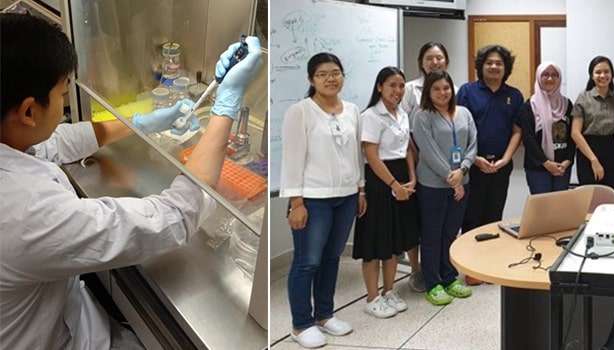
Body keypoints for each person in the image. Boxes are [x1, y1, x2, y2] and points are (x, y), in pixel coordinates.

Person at [0, 13, 261, 350]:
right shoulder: (26, 213)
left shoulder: (11, 137)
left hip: (60, 313)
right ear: (28, 112)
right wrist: (227, 104)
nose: (64, 104)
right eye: (63, 94)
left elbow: (56, 141)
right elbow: (173, 217)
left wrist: (144, 122)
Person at [280, 52, 367, 348]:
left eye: (336, 72)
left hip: (346, 197)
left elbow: (357, 153)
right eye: (322, 74)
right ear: (311, 80)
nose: (331, 79)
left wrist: (361, 189)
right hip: (313, 200)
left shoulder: (353, 110)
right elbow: (291, 160)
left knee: (332, 258)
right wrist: (296, 203)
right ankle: (301, 324)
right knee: (307, 261)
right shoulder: (301, 111)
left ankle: (325, 315)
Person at [354, 67, 419, 319]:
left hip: (402, 179)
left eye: (402, 85)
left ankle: (389, 290)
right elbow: (370, 155)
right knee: (375, 241)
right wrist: (395, 185)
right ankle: (372, 297)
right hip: (380, 182)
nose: (398, 90)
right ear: (380, 86)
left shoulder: (402, 114)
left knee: (394, 243)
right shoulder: (370, 115)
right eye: (392, 85)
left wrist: (411, 179)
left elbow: (407, 150)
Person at [456, 45, 523, 285]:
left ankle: (490, 266)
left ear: (506, 68)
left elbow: (517, 131)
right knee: (471, 217)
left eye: (499, 63)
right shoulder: (467, 91)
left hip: (502, 166)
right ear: (481, 66)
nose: (494, 67)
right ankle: (472, 268)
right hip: (473, 165)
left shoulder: (514, 95)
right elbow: (459, 130)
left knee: (494, 215)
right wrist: (474, 159)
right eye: (489, 63)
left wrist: (506, 159)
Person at [412, 70, 478, 306]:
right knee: (432, 235)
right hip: (433, 186)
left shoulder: (465, 113)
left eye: (446, 88)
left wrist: (464, 170)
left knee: (450, 233)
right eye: (436, 89)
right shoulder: (422, 116)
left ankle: (449, 277)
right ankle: (432, 282)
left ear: (452, 89)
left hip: (463, 182)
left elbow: (472, 144)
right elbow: (428, 152)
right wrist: (453, 178)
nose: (442, 93)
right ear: (429, 92)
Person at [399, 42, 455, 293]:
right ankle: (417, 270)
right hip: (415, 160)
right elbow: (402, 126)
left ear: (446, 62)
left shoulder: (452, 89)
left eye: (439, 58)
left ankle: (442, 270)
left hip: (446, 167)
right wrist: (419, 154)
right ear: (421, 62)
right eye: (430, 58)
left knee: (441, 226)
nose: (435, 62)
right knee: (420, 223)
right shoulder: (410, 89)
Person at [518, 62, 575, 194]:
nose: (550, 79)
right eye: (545, 75)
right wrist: (546, 163)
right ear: (538, 77)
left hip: (562, 167)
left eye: (554, 75)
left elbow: (573, 135)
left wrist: (568, 160)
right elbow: (528, 138)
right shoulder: (529, 106)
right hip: (538, 168)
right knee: (542, 210)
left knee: (560, 209)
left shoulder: (567, 104)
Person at [571, 55, 614, 191]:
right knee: (589, 198)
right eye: (598, 72)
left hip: (610, 152)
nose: (602, 75)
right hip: (588, 152)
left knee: (611, 197)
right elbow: (575, 133)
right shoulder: (583, 98)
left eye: (606, 71)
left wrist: (613, 146)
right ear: (591, 75)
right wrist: (593, 160)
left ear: (612, 74)